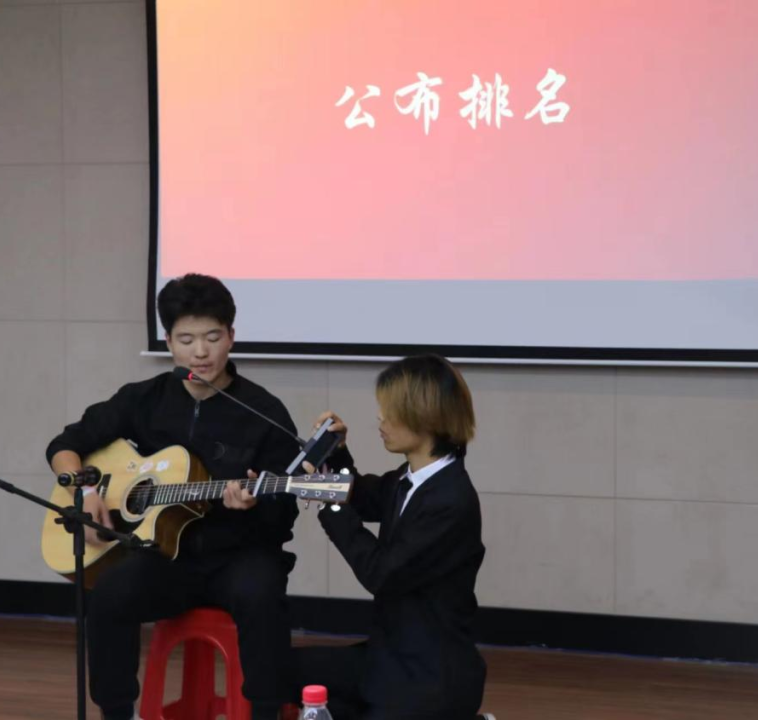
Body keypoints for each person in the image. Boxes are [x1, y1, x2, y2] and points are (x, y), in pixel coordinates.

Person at [46, 274, 300, 720]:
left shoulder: (264, 412)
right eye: (186, 340)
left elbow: (286, 514)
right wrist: (84, 490)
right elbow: (65, 446)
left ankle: (265, 711)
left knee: (261, 596)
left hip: (238, 556)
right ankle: (116, 712)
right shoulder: (143, 399)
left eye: (212, 338)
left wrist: (256, 504)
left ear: (231, 336)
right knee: (108, 595)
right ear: (168, 342)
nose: (201, 352)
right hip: (164, 559)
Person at [296, 355, 491, 720]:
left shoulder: (450, 500)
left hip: (429, 677)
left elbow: (381, 574)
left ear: (425, 416)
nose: (380, 419)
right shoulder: (410, 477)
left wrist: (329, 504)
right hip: (389, 658)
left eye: (390, 411)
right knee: (279, 669)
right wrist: (336, 452)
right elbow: (363, 495)